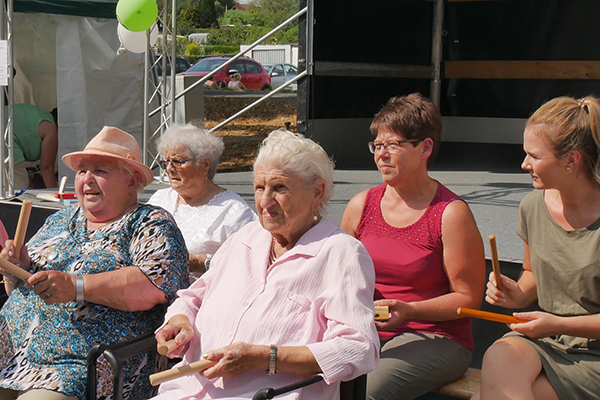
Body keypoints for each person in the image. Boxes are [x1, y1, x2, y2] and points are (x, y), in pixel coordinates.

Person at [150, 129, 380, 400]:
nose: (265, 201)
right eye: (260, 187)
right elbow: (193, 297)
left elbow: (360, 348)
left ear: (317, 193)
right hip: (186, 391)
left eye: (279, 187)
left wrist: (264, 357)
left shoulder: (341, 253)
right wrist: (179, 322)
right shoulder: (246, 238)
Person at [0, 126, 189, 400]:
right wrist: (16, 268)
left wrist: (77, 286)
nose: (87, 179)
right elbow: (17, 291)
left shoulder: (150, 223)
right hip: (12, 350)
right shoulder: (62, 219)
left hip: (79, 365)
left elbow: (154, 285)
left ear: (132, 180)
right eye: (81, 171)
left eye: (100, 170)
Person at [340, 93, 486, 400]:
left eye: (393, 145)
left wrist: (410, 310)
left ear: (425, 148)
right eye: (377, 146)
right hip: (368, 330)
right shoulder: (360, 205)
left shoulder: (450, 213)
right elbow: (338, 276)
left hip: (435, 335)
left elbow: (469, 298)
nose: (382, 154)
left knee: (367, 392)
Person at [473, 95, 600, 400]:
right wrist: (517, 292)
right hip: (550, 340)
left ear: (571, 160)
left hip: (593, 353)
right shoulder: (532, 206)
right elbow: (531, 273)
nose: (524, 164)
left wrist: (555, 323)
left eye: (534, 156)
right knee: (499, 355)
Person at [148, 123, 256, 282]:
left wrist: (198, 262)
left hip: (203, 298)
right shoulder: (160, 199)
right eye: (167, 162)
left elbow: (249, 261)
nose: (170, 169)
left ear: (205, 164)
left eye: (178, 161)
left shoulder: (233, 211)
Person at [4, 103, 58, 189]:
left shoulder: (39, 114)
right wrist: (55, 194)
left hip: (5, 130)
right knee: (18, 192)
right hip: (4, 137)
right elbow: (46, 168)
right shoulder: (51, 128)